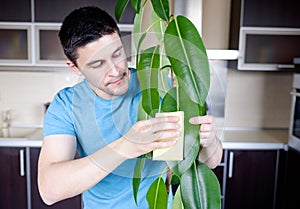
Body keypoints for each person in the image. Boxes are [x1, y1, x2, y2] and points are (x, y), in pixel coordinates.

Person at [37, 6, 223, 209]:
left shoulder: (161, 85)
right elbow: (49, 190)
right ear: (75, 67)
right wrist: (126, 146)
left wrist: (210, 142)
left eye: (117, 54)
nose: (115, 70)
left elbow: (208, 161)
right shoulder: (66, 105)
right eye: (98, 64)